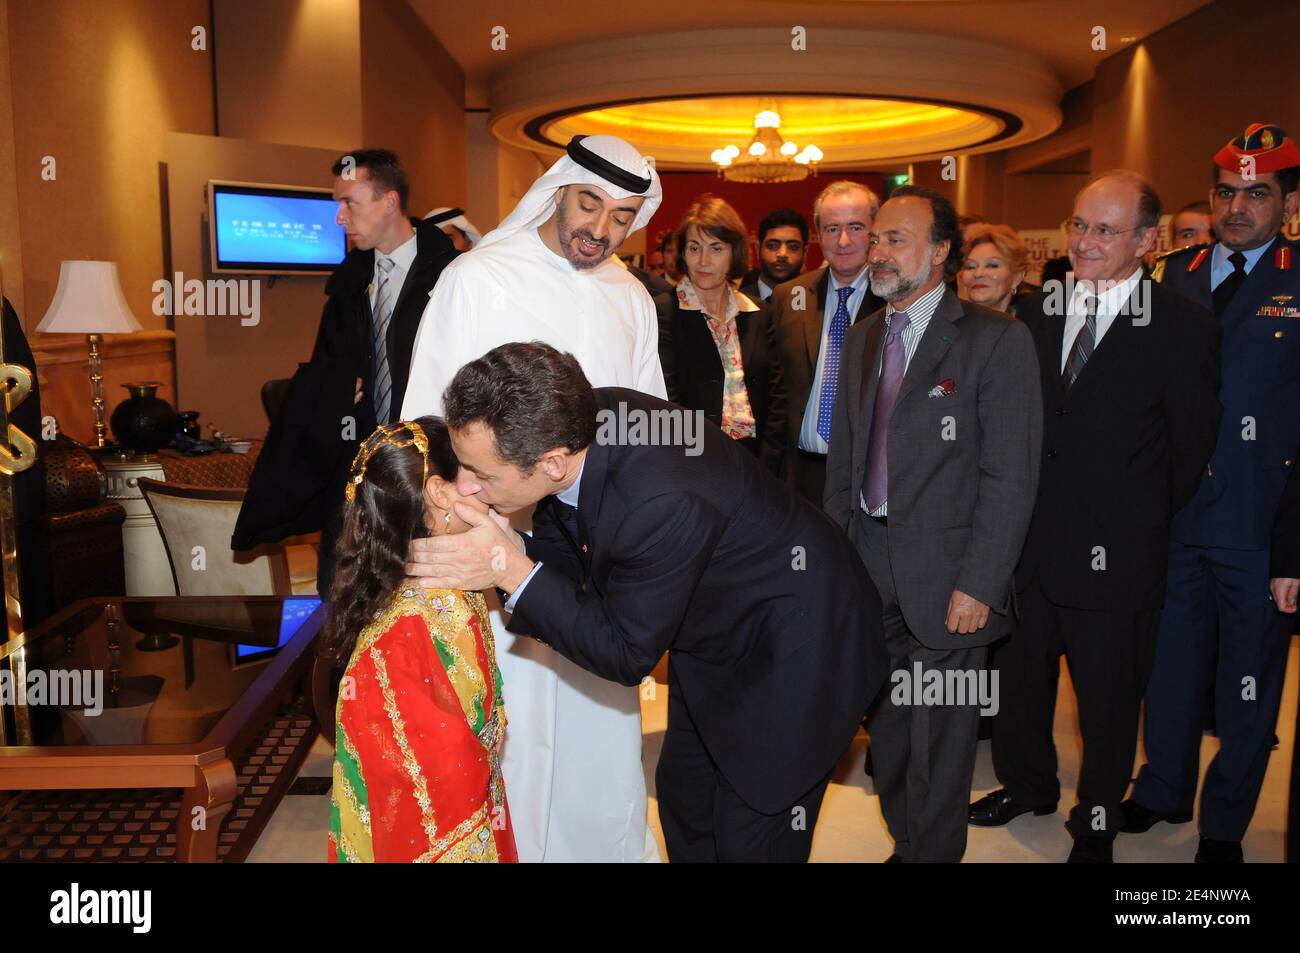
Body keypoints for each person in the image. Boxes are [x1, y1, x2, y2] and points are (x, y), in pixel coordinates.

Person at [406, 342, 889, 862]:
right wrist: (512, 548)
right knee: (687, 803)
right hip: (716, 628)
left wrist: (509, 567)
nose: (468, 487)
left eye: (484, 475)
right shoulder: (578, 422)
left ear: (550, 463)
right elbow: (577, 541)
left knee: (752, 830)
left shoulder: (661, 500)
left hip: (802, 647)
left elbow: (624, 653)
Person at [400, 134, 666, 863]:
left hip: (595, 538)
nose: (602, 229)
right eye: (591, 204)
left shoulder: (632, 296)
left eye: (622, 216)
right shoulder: (477, 278)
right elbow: (427, 415)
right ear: (559, 187)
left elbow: (647, 421)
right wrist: (453, 530)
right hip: (497, 534)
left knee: (597, 714)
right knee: (514, 719)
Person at [970, 171, 1222, 863]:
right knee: (1020, 683)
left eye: (1104, 230)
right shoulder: (1037, 311)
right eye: (1079, 224)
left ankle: (1098, 819)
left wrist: (1126, 520)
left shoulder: (1182, 326)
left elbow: (1190, 445)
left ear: (1148, 240)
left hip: (1117, 555)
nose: (1084, 240)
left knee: (1108, 703)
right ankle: (1028, 784)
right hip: (1026, 546)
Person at [824, 186, 1041, 862]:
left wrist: (980, 582)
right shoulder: (864, 336)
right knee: (888, 736)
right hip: (866, 563)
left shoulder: (996, 340)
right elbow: (843, 463)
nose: (876, 251)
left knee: (940, 746)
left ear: (941, 251)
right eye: (875, 238)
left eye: (895, 239)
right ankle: (909, 842)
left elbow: (1012, 476)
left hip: (950, 580)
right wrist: (834, 560)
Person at [1125, 124, 1300, 863]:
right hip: (1173, 517)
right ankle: (1160, 786)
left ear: (1287, 201)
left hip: (1261, 524)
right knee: (1166, 666)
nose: (1236, 207)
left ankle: (1223, 822)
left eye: (1256, 193)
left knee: (1248, 685)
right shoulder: (1170, 274)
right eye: (1225, 191)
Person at [233, 149, 458, 593]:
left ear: (389, 201)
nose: (339, 217)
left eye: (349, 202)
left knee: (420, 586)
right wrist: (337, 383)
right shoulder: (348, 283)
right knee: (341, 584)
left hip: (429, 460)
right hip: (356, 458)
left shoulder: (451, 274)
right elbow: (328, 360)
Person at [323, 418, 516, 863]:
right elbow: (436, 772)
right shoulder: (417, 622)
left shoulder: (442, 586)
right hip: (449, 831)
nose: (485, 483)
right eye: (473, 471)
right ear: (439, 492)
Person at [769, 180, 884, 504]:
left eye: (856, 227)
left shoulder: (895, 302)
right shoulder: (789, 297)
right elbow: (774, 394)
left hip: (867, 480)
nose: (844, 240)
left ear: (875, 231)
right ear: (818, 235)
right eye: (832, 229)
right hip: (798, 477)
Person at [656, 195, 785, 473]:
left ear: (734, 252)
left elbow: (776, 397)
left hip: (755, 461)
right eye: (694, 248)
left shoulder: (758, 312)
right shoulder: (664, 310)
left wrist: (767, 464)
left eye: (716, 248)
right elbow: (666, 398)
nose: (703, 261)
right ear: (682, 253)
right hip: (692, 461)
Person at [740, 208, 809, 301]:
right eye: (772, 246)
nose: (782, 254)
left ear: (805, 253)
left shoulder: (817, 306)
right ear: (758, 250)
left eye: (792, 247)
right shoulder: (737, 304)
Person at [959, 223, 1029, 314]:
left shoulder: (1032, 324)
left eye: (992, 265)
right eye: (970, 266)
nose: (978, 273)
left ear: (1017, 278)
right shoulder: (944, 323)